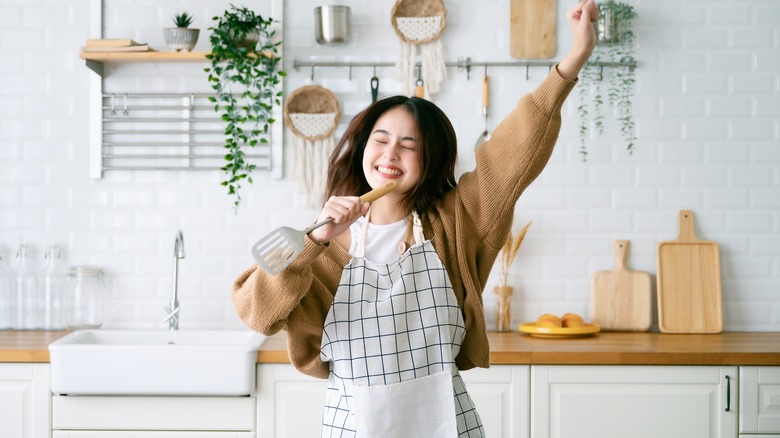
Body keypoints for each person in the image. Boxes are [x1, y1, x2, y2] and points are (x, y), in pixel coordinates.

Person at [232, 1, 598, 436]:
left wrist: (574, 58)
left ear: (430, 161)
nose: (390, 154)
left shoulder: (459, 222)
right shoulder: (320, 249)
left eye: (409, 145)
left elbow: (512, 153)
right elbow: (256, 313)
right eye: (380, 139)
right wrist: (314, 241)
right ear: (362, 148)